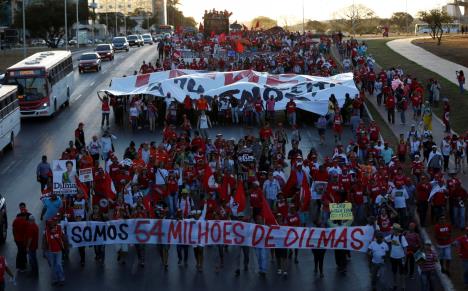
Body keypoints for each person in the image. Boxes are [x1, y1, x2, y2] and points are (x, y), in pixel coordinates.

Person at [43, 217, 66, 286]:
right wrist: (44, 251)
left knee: (58, 264)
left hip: (59, 251)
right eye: (54, 221)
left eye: (56, 221)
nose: (55, 222)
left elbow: (63, 237)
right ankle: (55, 279)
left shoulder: (59, 228)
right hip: (51, 251)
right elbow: (44, 241)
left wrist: (66, 247)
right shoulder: (46, 231)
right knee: (53, 266)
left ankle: (61, 278)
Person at [385, 224, 408, 291]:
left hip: (401, 258)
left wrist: (405, 258)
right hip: (393, 257)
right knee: (394, 272)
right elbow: (384, 240)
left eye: (392, 229)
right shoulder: (391, 236)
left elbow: (405, 248)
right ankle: (395, 284)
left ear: (395, 230)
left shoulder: (402, 237)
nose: (391, 230)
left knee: (402, 273)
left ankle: (403, 286)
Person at [12, 205, 29, 272]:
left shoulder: (15, 220)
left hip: (17, 239)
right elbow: (27, 233)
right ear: (24, 216)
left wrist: (14, 237)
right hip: (23, 240)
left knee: (19, 252)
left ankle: (19, 266)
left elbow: (13, 229)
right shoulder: (26, 223)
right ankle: (22, 267)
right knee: (22, 252)